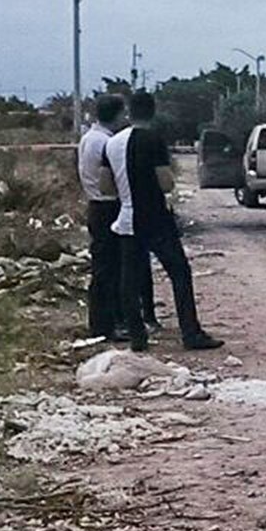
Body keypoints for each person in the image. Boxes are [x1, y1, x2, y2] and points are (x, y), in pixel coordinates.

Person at [106, 92, 223, 353]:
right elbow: (166, 182)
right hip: (155, 218)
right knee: (179, 273)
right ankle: (190, 332)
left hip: (126, 217)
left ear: (129, 113)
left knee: (129, 279)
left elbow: (105, 184)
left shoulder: (112, 143)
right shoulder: (153, 140)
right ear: (152, 111)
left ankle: (137, 337)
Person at [77, 94, 128, 338]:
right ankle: (107, 324)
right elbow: (112, 180)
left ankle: (105, 322)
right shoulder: (107, 143)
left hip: (96, 205)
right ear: (117, 114)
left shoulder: (89, 138)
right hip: (108, 206)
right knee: (110, 268)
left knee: (104, 266)